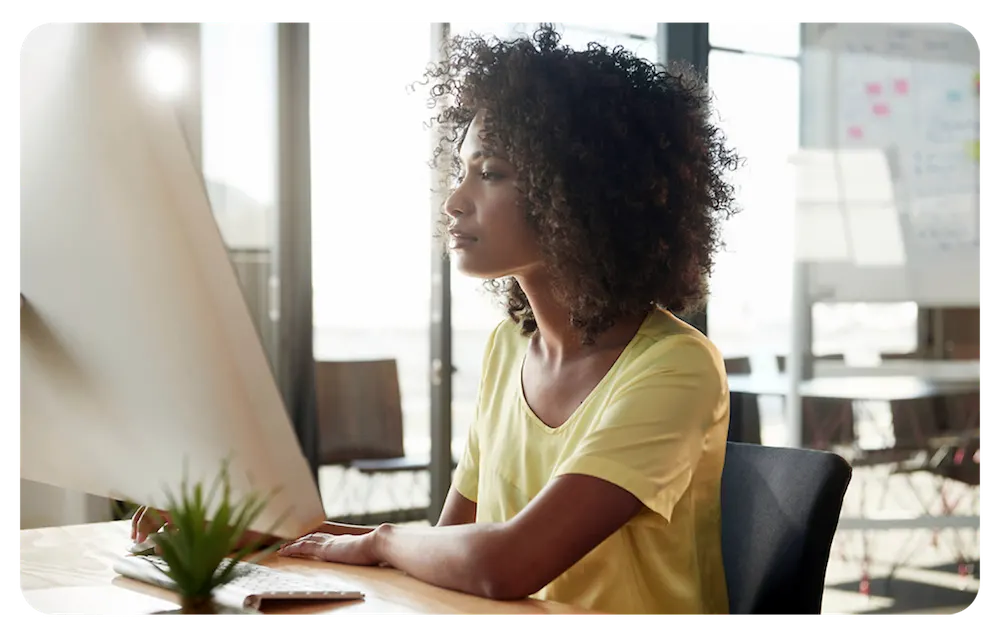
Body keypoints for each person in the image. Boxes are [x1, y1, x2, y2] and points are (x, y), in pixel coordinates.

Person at [134, 23, 741, 617]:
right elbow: (453, 542)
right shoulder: (511, 348)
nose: (454, 200)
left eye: (491, 173)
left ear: (581, 194)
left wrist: (379, 541)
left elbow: (505, 563)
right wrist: (254, 532)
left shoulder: (675, 367)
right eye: (461, 171)